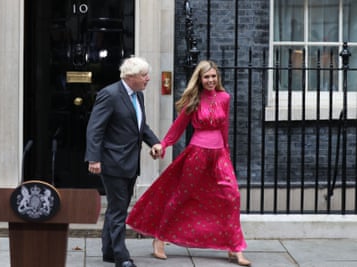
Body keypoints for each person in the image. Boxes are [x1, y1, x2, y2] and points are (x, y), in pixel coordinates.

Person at [126, 60, 251, 266]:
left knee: (232, 196)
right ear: (200, 80)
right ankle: (160, 237)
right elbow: (178, 127)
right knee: (182, 195)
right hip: (197, 154)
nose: (211, 80)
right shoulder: (193, 100)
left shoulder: (224, 97)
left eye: (213, 76)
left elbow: (225, 127)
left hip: (219, 154)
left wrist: (226, 153)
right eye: (206, 77)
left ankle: (235, 248)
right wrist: (163, 145)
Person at [85, 56, 162, 267]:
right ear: (130, 77)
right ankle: (122, 257)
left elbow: (141, 126)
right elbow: (95, 128)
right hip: (113, 162)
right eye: (144, 75)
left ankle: (109, 251)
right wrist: (94, 158)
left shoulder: (138, 96)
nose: (148, 79)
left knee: (116, 208)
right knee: (119, 211)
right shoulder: (110, 95)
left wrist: (154, 142)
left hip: (129, 162)